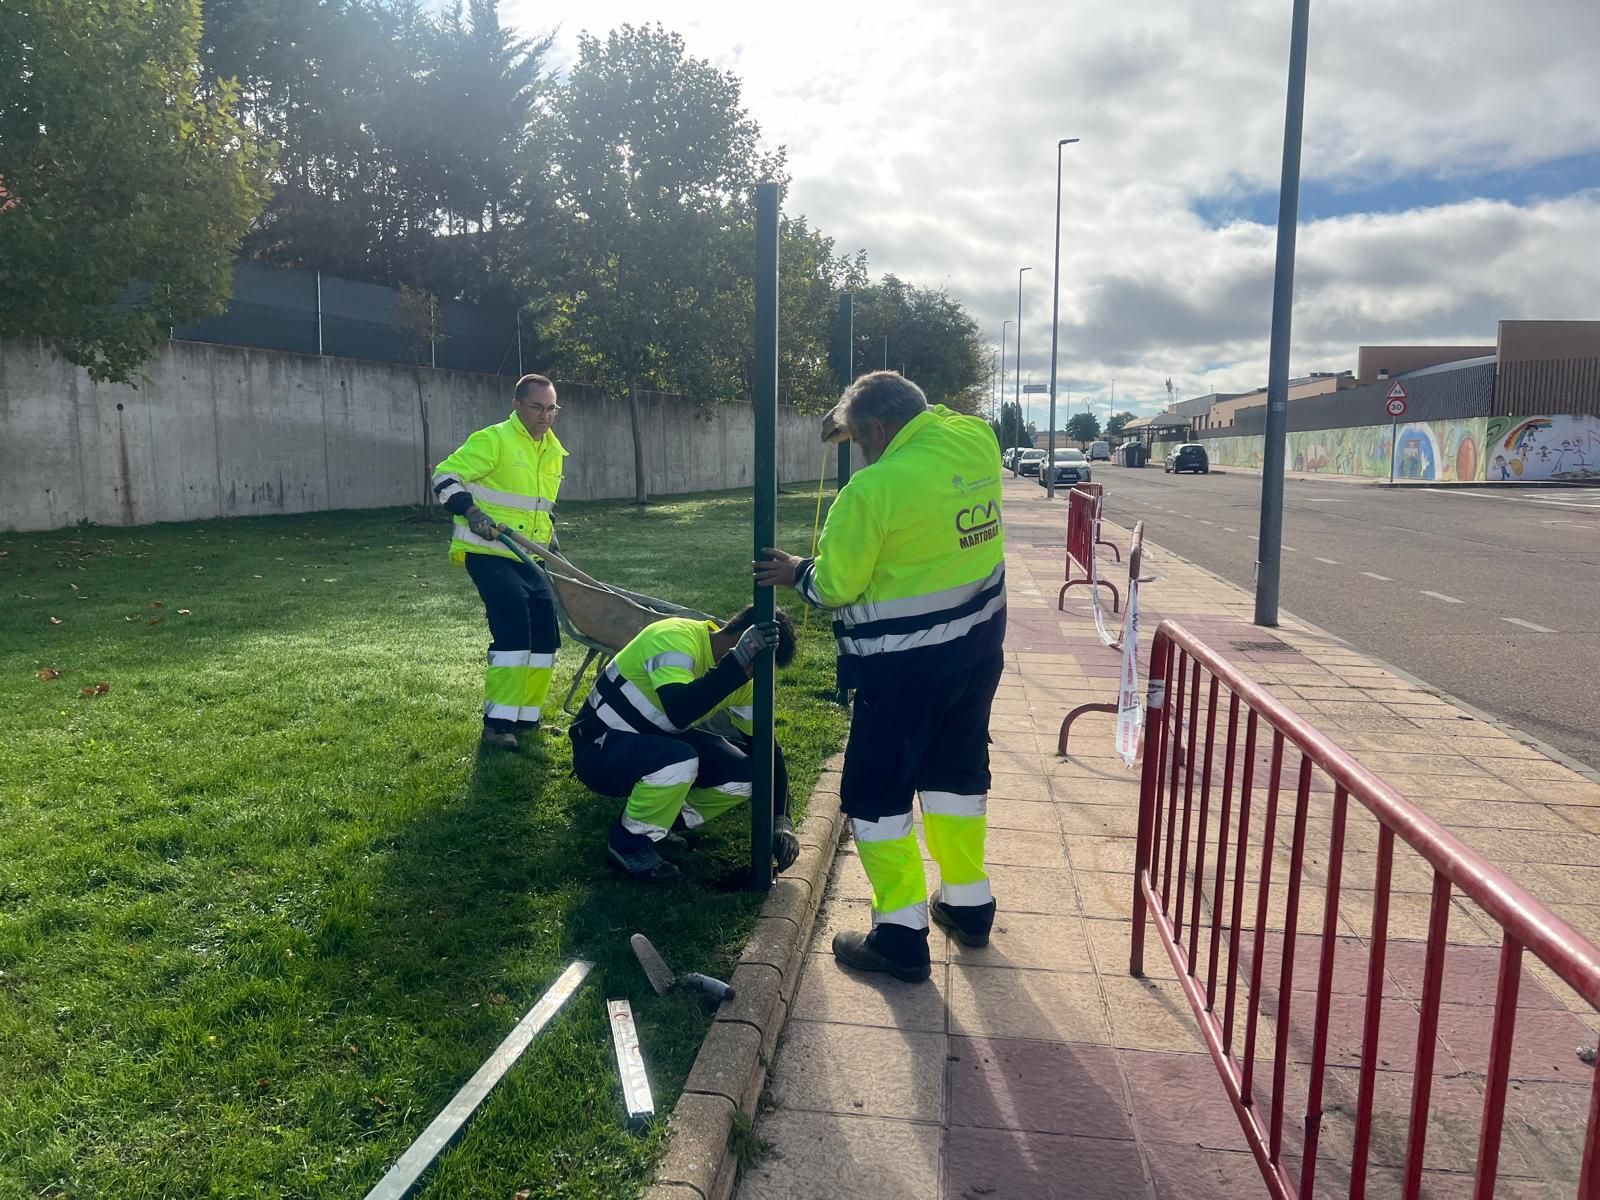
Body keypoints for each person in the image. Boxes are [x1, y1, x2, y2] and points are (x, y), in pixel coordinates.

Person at [756, 371, 1005, 983]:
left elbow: (837, 585)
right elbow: (929, 408)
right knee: (955, 778)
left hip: (902, 670)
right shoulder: (975, 439)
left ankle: (900, 935)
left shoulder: (870, 491)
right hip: (977, 653)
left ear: (876, 429)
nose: (861, 451)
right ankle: (969, 907)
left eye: (860, 439)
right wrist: (855, 410)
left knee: (876, 796)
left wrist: (798, 572)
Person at [569, 606, 800, 883]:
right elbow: (679, 709)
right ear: (744, 640)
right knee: (680, 760)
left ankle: (654, 826)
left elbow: (767, 751)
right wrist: (735, 666)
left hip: (655, 741)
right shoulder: (674, 636)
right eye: (762, 664)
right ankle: (627, 845)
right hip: (597, 748)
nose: (759, 674)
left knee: (746, 774)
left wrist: (782, 821)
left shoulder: (743, 678)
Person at [430, 373, 568, 750]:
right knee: (514, 632)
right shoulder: (494, 440)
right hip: (489, 553)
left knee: (545, 637)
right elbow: (445, 476)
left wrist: (550, 539)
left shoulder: (552, 450)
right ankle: (497, 724)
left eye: (551, 407)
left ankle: (527, 719)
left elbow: (538, 506)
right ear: (517, 405)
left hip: (529, 556)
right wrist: (472, 511)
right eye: (537, 407)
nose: (545, 415)